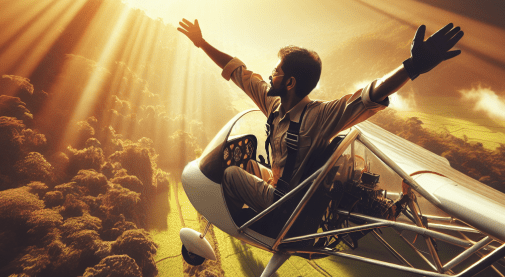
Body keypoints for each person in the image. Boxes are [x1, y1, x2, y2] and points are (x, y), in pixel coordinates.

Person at [177, 17, 463, 215]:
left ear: (289, 83)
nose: (270, 76)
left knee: (230, 174)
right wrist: (202, 43)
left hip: (286, 205)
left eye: (275, 72)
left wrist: (412, 67)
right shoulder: (274, 104)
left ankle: (240, 221)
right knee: (247, 164)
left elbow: (368, 96)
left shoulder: (320, 116)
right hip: (279, 188)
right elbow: (238, 72)